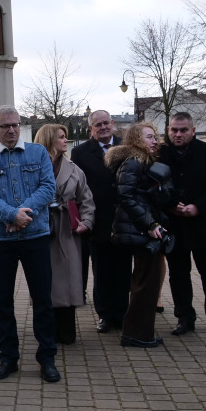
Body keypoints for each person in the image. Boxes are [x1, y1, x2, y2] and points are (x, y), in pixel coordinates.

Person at [0, 105, 60, 383]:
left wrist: (22, 214)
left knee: (43, 301)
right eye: (5, 126)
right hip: (0, 240)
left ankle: (47, 358)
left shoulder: (38, 153)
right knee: (3, 303)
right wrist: (11, 215)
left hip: (35, 236)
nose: (11, 130)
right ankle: (8, 358)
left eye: (15, 124)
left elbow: (48, 188)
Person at [157, 112, 206, 338]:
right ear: (168, 130)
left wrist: (198, 206)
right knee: (178, 274)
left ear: (193, 130)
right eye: (173, 130)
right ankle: (184, 318)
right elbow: (152, 186)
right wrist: (170, 206)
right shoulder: (160, 154)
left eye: (183, 130)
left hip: (203, 224)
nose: (178, 134)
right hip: (174, 225)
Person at [106, 123, 173, 347]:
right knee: (146, 282)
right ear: (136, 139)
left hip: (143, 229)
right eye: (149, 137)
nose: (155, 141)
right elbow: (126, 197)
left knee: (146, 281)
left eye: (155, 136)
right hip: (141, 230)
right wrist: (150, 224)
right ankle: (136, 334)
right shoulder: (134, 162)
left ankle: (139, 332)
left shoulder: (144, 161)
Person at [71, 110, 133, 332]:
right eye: (98, 125)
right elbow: (78, 187)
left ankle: (122, 313)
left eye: (106, 123)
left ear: (113, 123)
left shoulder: (128, 148)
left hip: (125, 219)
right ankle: (105, 315)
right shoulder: (80, 153)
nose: (103, 127)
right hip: (98, 220)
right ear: (91, 129)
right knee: (102, 271)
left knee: (124, 270)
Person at [34, 124, 95, 344]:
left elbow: (86, 199)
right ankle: (46, 331)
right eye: (61, 137)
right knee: (44, 281)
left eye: (66, 137)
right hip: (41, 229)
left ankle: (67, 331)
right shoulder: (33, 167)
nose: (65, 141)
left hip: (68, 229)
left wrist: (86, 222)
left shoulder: (74, 169)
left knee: (68, 279)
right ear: (49, 139)